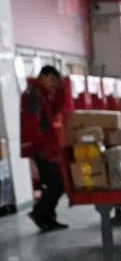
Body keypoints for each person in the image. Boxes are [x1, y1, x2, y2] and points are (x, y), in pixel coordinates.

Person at [20, 66, 68, 232]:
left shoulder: (43, 94)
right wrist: (42, 148)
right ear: (45, 76)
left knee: (57, 183)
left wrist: (61, 91)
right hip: (40, 148)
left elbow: (56, 111)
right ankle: (40, 214)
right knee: (56, 183)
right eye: (53, 80)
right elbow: (32, 124)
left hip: (47, 147)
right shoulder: (33, 94)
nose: (54, 84)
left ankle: (48, 217)